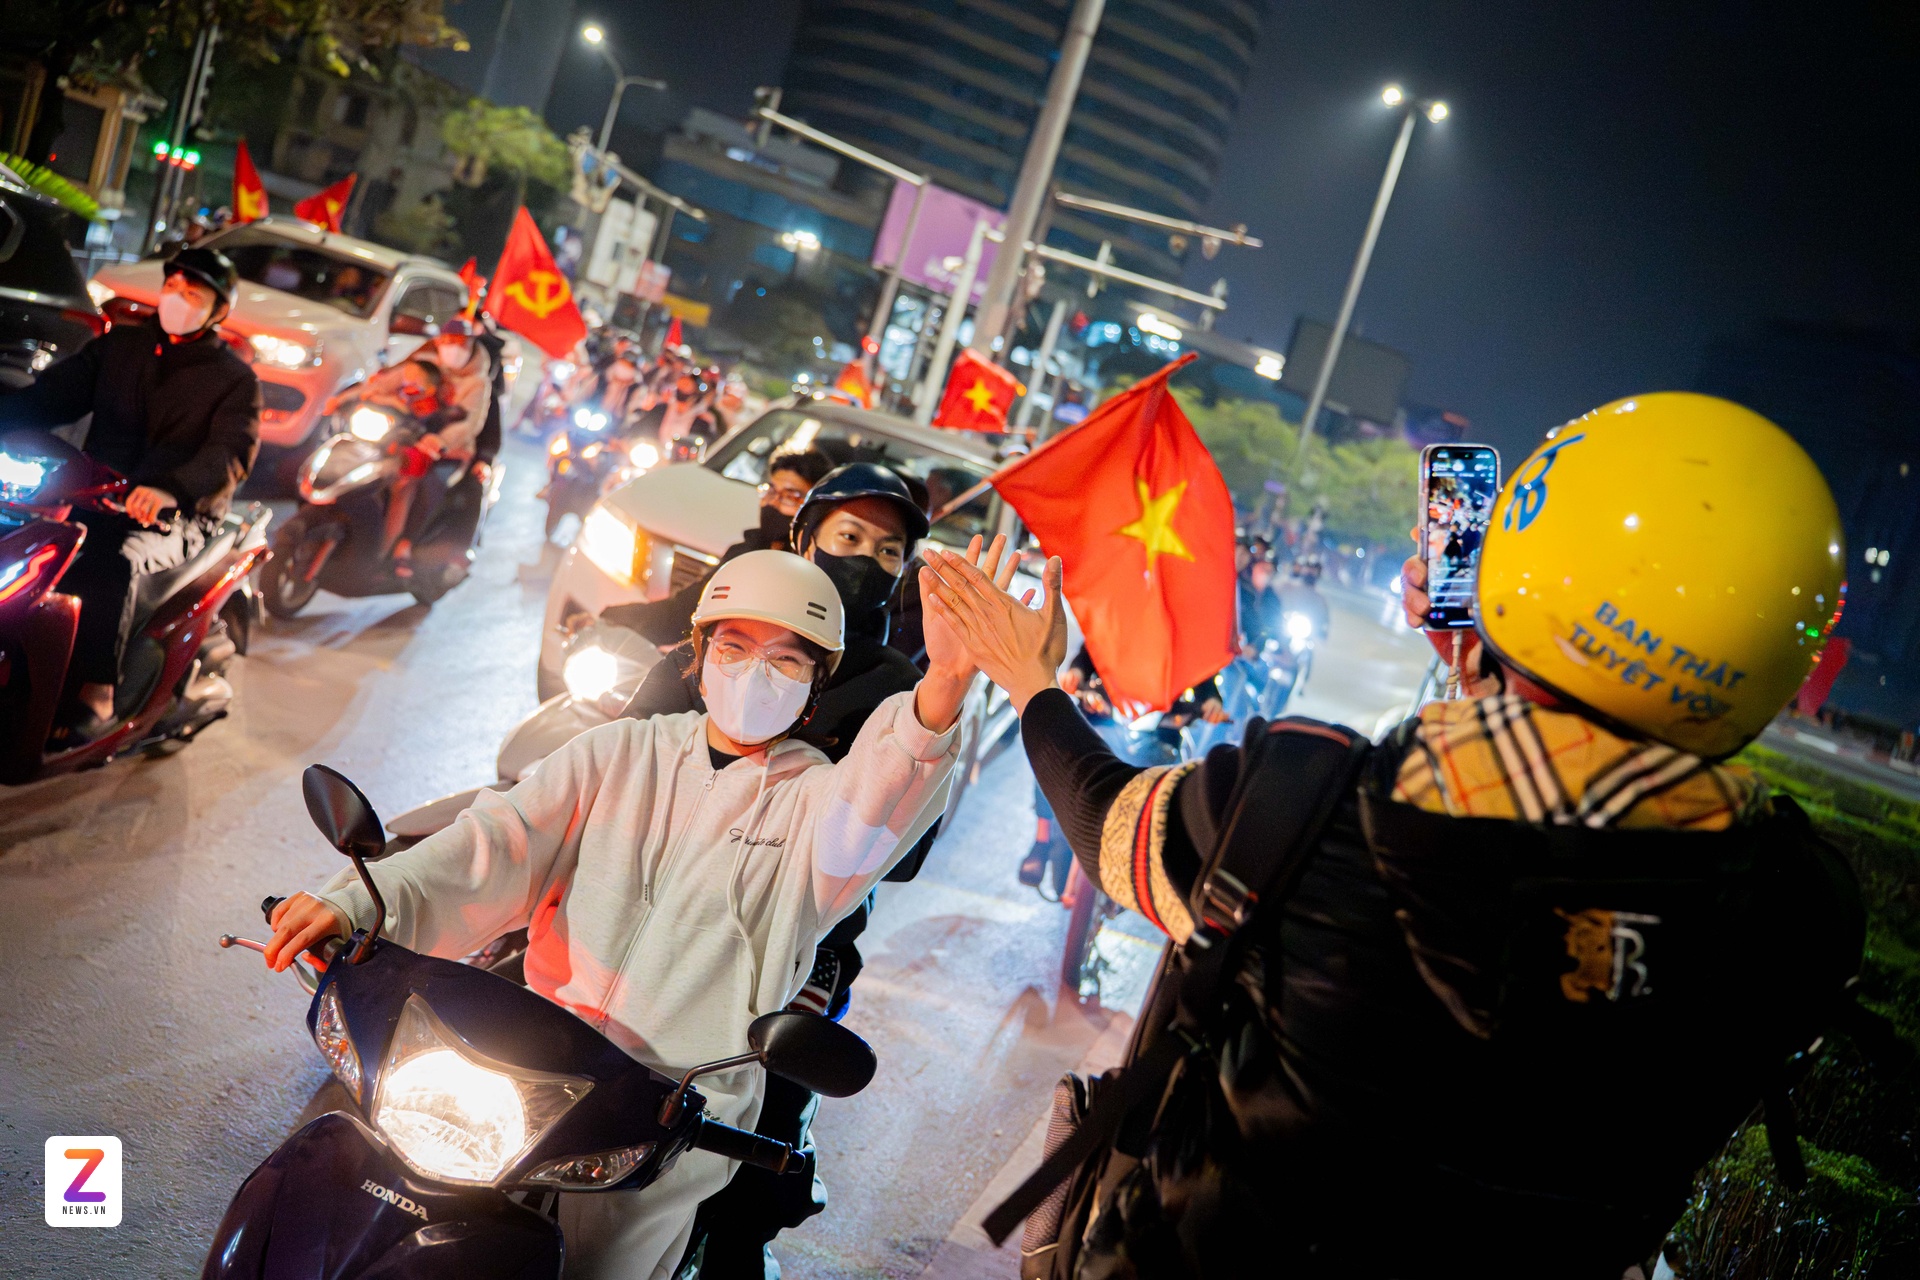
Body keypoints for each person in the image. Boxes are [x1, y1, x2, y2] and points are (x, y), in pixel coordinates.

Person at [922, 393, 1865, 1279]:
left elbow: (1106, 822)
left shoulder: (1305, 800)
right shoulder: (1807, 907)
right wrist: (1482, 671)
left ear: (1525, 567)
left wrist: (1031, 675)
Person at [263, 541, 1011, 1280]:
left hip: (669, 1108)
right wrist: (354, 902)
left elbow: (886, 792)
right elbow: (492, 843)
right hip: (527, 1059)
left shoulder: (819, 805)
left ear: (816, 684)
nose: (756, 671)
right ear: (700, 654)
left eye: (786, 660)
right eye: (736, 645)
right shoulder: (619, 752)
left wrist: (944, 679)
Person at [611, 463, 934, 1279]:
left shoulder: (900, 693)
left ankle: (732, 1246)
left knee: (762, 1117)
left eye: (888, 550)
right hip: (636, 901)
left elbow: (901, 853)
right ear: (804, 538)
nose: (866, 559)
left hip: (794, 941)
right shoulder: (723, 630)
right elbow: (603, 767)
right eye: (848, 537)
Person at [0, 246, 259, 742]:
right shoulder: (121, 348)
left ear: (218, 309)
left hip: (176, 515)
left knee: (108, 562)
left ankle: (98, 693)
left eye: (193, 294)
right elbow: (53, 396)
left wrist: (168, 490)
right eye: (172, 288)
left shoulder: (234, 381)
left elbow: (229, 455)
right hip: (92, 496)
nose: (177, 300)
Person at [599, 448, 833, 649]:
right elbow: (685, 611)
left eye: (790, 496)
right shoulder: (747, 552)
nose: (772, 503)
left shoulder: (813, 571)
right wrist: (612, 617)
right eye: (771, 491)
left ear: (813, 506)